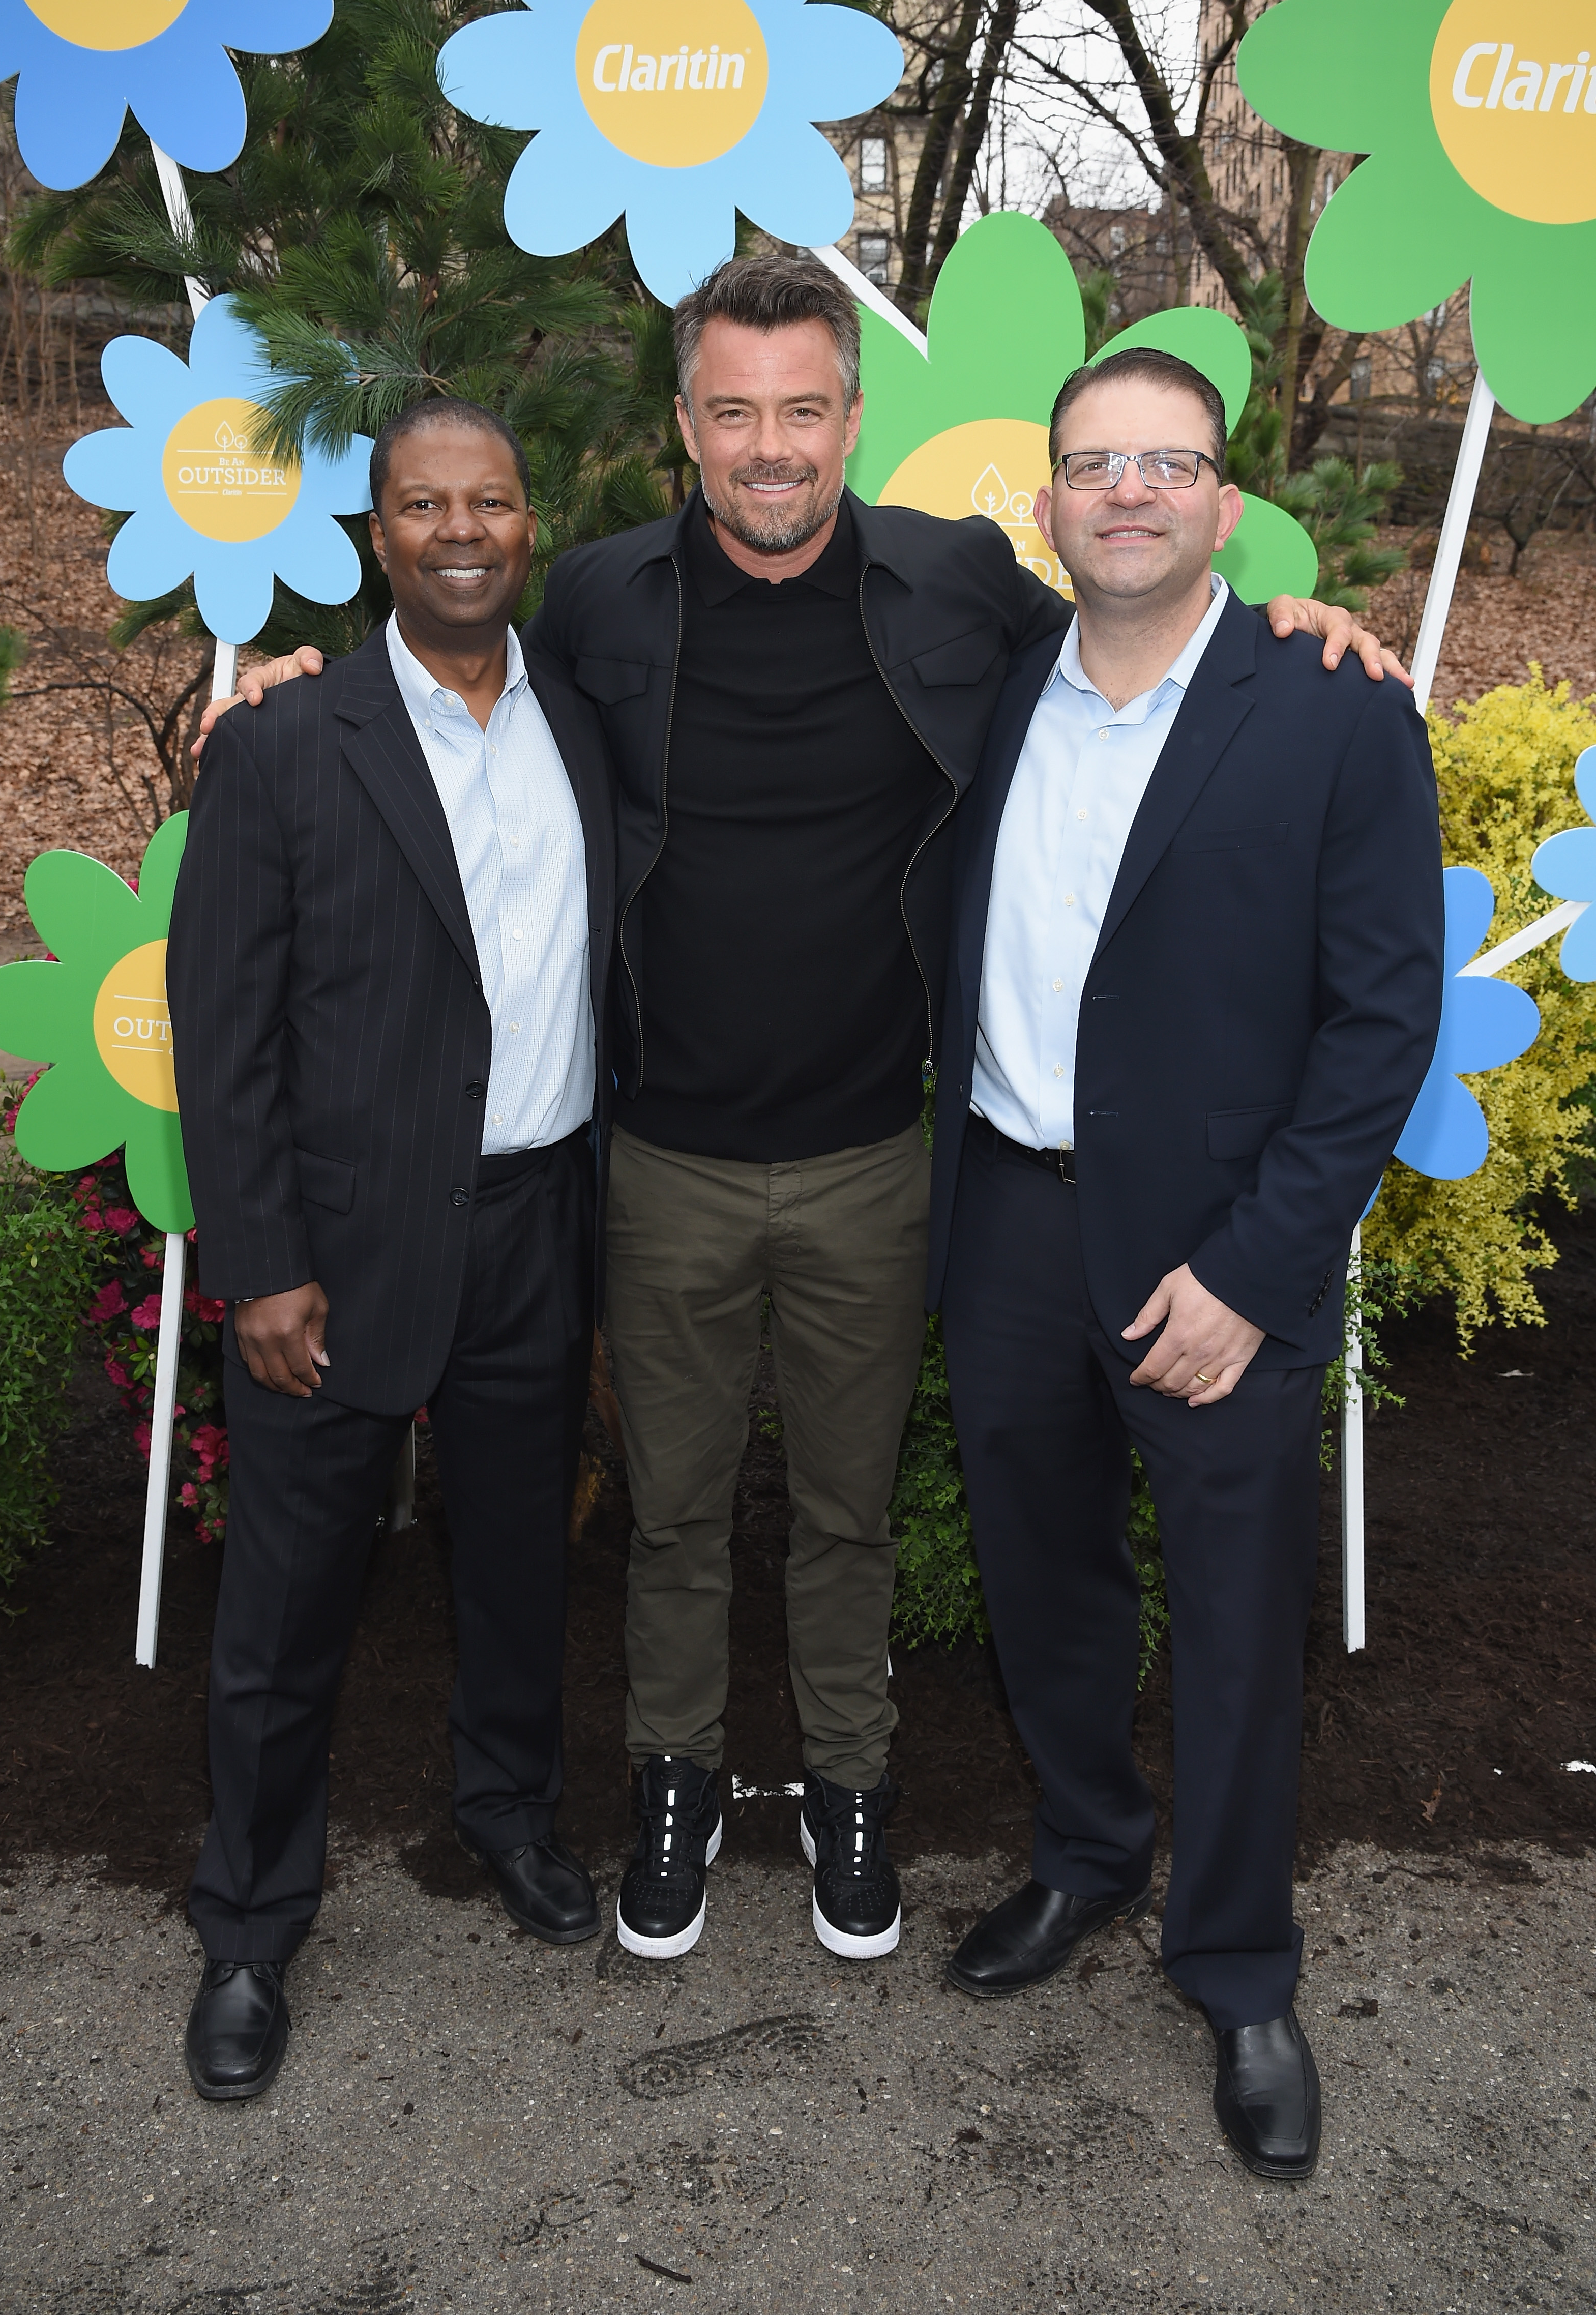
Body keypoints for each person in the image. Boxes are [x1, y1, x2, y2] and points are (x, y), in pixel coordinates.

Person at [198, 255, 1405, 1972]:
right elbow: (444, 671)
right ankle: (673, 1792)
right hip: (666, 1168)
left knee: (844, 1515)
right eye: (735, 411)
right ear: (686, 425)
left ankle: (855, 1795)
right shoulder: (600, 605)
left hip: (879, 1163)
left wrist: (1299, 624)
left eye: (806, 410)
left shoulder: (960, 580)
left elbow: (1134, 634)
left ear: (854, 419)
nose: (773, 447)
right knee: (676, 1519)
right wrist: (292, 686)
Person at [927, 346, 1444, 2181]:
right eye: (1094, 464)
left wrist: (1258, 1269)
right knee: (1044, 1570)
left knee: (1231, 1622)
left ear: (1226, 501)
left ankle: (1237, 1968)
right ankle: (1083, 1852)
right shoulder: (993, 691)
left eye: (1171, 462)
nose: (1129, 491)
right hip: (1004, 1208)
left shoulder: (1329, 703)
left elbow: (1384, 1017)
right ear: (1050, 501)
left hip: (1220, 1250)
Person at [169, 398, 614, 2104]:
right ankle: (250, 1927)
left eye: (488, 502)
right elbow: (226, 1028)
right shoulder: (287, 741)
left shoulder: (579, 718)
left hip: (536, 1222)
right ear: (375, 539)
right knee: (285, 1608)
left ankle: (508, 1815)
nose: (458, 532)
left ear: (529, 522)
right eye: (422, 507)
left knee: (518, 1561)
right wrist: (263, 1262)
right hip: (336, 1253)